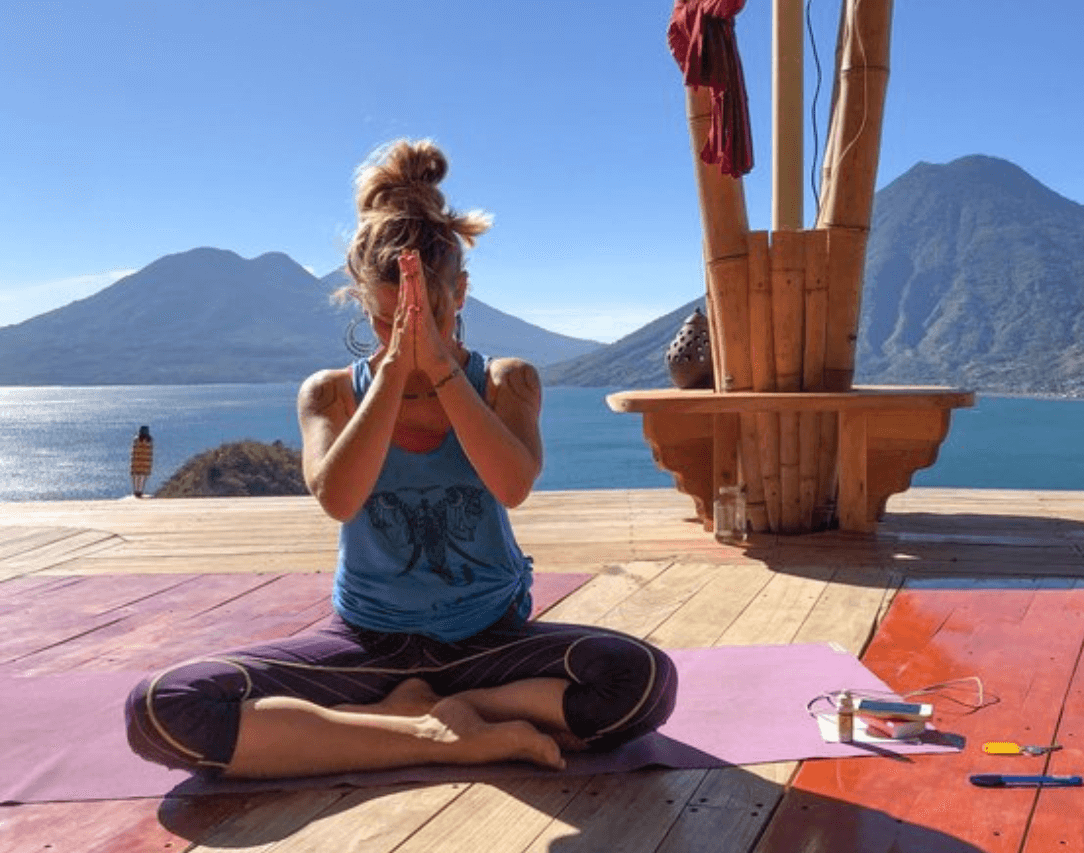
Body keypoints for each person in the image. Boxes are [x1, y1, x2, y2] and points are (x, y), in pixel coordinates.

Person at [124, 139, 677, 779]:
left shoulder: (505, 381)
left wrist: (440, 367)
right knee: (164, 707)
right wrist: (390, 375)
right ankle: (436, 735)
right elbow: (339, 497)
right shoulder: (329, 393)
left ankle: (445, 707)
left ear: (461, 293)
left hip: (488, 642)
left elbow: (513, 484)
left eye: (431, 313)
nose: (409, 332)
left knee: (641, 682)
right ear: (364, 304)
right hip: (367, 645)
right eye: (388, 320)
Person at [129, 425, 153, 498]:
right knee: (142, 477)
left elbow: (133, 452)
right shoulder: (149, 442)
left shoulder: (136, 441)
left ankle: (136, 491)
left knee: (136, 476)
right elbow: (150, 453)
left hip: (137, 461)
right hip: (145, 462)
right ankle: (140, 491)